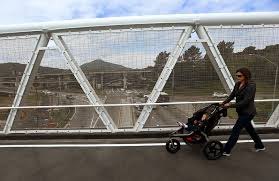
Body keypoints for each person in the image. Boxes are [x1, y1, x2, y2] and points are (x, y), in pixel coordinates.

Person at [221, 67, 265, 157]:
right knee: (250, 130)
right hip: (241, 112)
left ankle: (226, 150)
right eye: (236, 75)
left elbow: (246, 101)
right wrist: (224, 102)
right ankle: (260, 146)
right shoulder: (237, 84)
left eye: (239, 75)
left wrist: (230, 105)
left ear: (245, 75)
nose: (237, 77)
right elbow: (232, 95)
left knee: (235, 130)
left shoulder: (251, 85)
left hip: (248, 113)